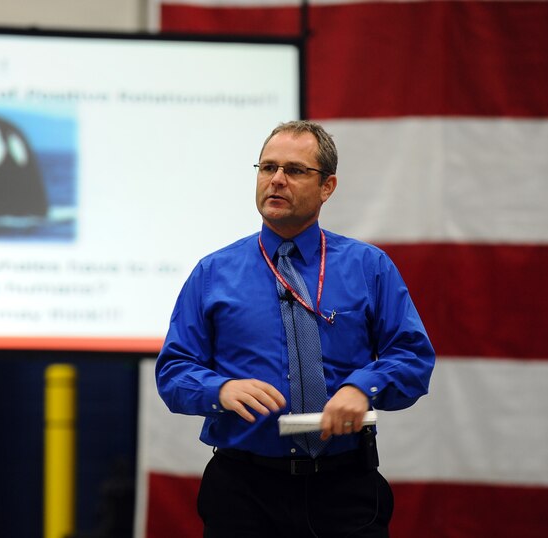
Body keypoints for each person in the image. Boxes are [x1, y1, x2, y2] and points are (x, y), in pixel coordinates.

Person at [155, 120, 435, 537]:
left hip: (343, 488)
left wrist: (363, 388)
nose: (277, 180)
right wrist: (219, 390)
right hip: (243, 491)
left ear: (327, 186)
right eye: (267, 168)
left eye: (295, 170)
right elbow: (173, 372)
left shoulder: (368, 267)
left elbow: (412, 358)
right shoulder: (213, 273)